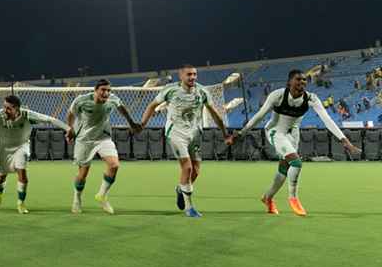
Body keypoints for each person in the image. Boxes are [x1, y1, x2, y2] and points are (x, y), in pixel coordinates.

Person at [228, 69, 361, 216]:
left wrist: (344, 140)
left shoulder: (311, 98)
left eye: (304, 80)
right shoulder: (278, 95)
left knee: (283, 170)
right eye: (298, 79)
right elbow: (259, 116)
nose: (302, 82)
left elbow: (327, 119)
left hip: (293, 135)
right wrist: (241, 133)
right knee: (296, 162)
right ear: (289, 82)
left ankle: (267, 198)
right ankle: (293, 198)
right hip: (275, 132)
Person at [138, 65, 230, 217]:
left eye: (194, 74)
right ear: (181, 76)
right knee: (187, 168)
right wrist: (142, 124)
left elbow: (214, 113)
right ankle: (189, 207)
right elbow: (152, 106)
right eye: (189, 74)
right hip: (176, 133)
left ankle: (181, 188)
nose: (192, 77)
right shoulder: (170, 90)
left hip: (195, 133)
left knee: (196, 171)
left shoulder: (202, 91)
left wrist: (225, 133)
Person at [0, 94, 69, 214]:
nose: (5, 110)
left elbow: (50, 119)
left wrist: (68, 129)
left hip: (21, 147)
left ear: (16, 108)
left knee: (22, 172)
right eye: (4, 107)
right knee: (1, 177)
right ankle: (0, 191)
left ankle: (21, 203)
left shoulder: (27, 115)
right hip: (4, 149)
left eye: (8, 108)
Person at [65, 79, 141, 215]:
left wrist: (131, 123)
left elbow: (123, 110)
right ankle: (77, 198)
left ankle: (102, 195)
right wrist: (70, 129)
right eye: (103, 90)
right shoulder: (81, 100)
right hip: (84, 140)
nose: (106, 93)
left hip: (103, 137)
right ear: (95, 90)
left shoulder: (113, 99)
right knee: (83, 174)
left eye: (108, 90)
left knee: (114, 165)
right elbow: (70, 114)